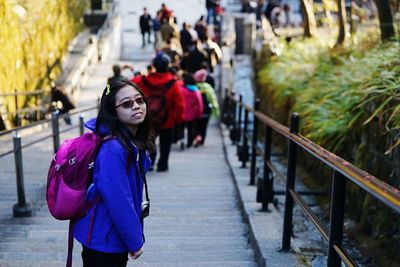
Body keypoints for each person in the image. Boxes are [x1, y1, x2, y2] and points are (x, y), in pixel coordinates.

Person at [73, 80, 155, 266]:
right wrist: (134, 240)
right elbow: (118, 198)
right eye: (126, 104)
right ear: (113, 112)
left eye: (139, 101)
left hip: (111, 235)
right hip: (103, 238)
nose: (136, 106)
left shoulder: (129, 141)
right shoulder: (113, 148)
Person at [132, 53, 185, 172]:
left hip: (148, 118)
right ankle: (163, 164)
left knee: (148, 140)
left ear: (154, 65)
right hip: (167, 119)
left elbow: (125, 85)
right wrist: (179, 119)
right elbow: (180, 103)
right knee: (166, 143)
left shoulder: (143, 80)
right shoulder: (173, 83)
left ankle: (149, 162)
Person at [193, 69, 220, 146]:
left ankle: (197, 137)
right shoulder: (208, 88)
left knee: (196, 125)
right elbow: (213, 100)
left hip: (196, 110)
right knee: (204, 127)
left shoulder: (194, 87)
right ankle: (202, 141)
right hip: (206, 111)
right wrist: (216, 111)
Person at [181, 73, 203, 148]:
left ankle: (182, 140)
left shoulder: (181, 89)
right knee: (190, 129)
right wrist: (199, 114)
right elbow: (200, 104)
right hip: (192, 114)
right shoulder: (196, 91)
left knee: (181, 127)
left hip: (181, 113)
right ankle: (189, 143)